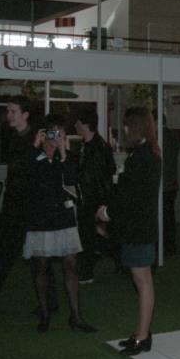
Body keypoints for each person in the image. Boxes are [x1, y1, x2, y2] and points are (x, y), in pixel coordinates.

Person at [22, 115, 95, 333]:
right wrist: (36, 148)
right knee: (41, 266)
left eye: (60, 133)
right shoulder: (33, 156)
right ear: (43, 134)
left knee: (71, 265)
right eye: (52, 132)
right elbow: (27, 178)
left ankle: (76, 315)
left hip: (64, 217)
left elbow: (71, 183)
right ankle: (44, 313)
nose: (56, 137)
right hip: (40, 218)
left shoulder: (69, 157)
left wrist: (63, 154)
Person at [98, 107, 161, 356]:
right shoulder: (147, 154)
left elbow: (130, 197)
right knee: (142, 280)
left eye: (126, 125)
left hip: (138, 229)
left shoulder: (142, 157)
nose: (123, 129)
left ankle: (142, 337)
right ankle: (142, 333)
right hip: (140, 227)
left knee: (142, 282)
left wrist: (108, 212)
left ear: (136, 126)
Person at [0, 96, 42, 316]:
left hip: (30, 207)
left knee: (36, 257)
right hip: (14, 205)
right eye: (8, 111)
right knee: (3, 255)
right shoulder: (13, 136)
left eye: (13, 111)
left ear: (25, 114)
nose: (8, 115)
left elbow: (32, 170)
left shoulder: (36, 138)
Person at [74, 109, 116, 282]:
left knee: (88, 236)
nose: (75, 125)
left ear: (85, 124)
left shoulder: (97, 147)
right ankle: (117, 259)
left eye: (77, 122)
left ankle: (86, 272)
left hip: (93, 200)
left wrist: (99, 202)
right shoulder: (88, 145)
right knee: (90, 235)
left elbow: (99, 177)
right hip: (89, 199)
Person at [161, 116, 180, 257]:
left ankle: (164, 246)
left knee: (163, 217)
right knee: (169, 216)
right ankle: (170, 246)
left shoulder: (158, 137)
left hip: (162, 184)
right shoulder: (173, 136)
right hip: (172, 183)